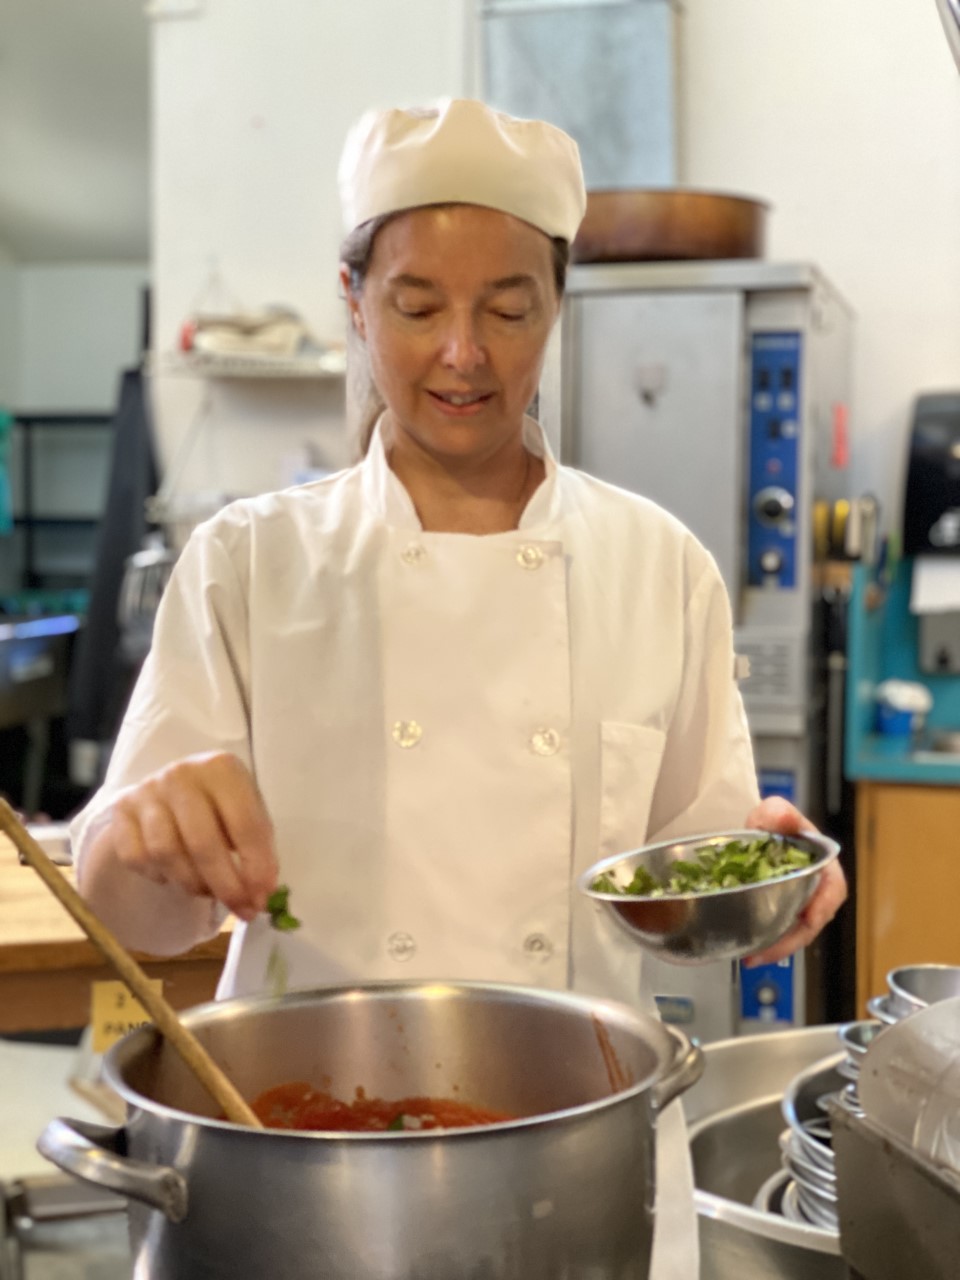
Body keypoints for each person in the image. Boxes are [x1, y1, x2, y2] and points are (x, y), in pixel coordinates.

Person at [71, 98, 846, 1277]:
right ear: (353, 302)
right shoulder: (249, 563)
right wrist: (140, 839)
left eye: (508, 308)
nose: (463, 354)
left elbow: (687, 891)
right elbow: (137, 916)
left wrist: (766, 888)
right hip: (303, 1168)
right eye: (418, 305)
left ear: (559, 306)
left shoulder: (660, 565)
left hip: (582, 1167)